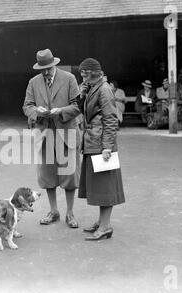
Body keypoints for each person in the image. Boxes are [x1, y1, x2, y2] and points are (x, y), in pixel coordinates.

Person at [22, 49, 81, 228]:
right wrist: (36, 113)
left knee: (69, 174)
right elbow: (27, 106)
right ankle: (53, 211)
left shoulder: (69, 78)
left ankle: (70, 213)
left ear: (54, 64)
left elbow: (78, 105)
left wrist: (61, 111)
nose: (46, 72)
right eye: (42, 69)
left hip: (66, 131)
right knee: (48, 175)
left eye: (48, 68)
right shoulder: (33, 82)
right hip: (45, 133)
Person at [77, 58, 125, 241]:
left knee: (104, 187)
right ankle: (101, 221)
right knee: (98, 186)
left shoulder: (104, 90)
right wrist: (82, 96)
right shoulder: (92, 88)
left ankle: (105, 227)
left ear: (92, 73)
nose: (82, 77)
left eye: (84, 74)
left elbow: (111, 119)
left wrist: (107, 147)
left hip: (100, 146)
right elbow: (85, 112)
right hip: (93, 142)